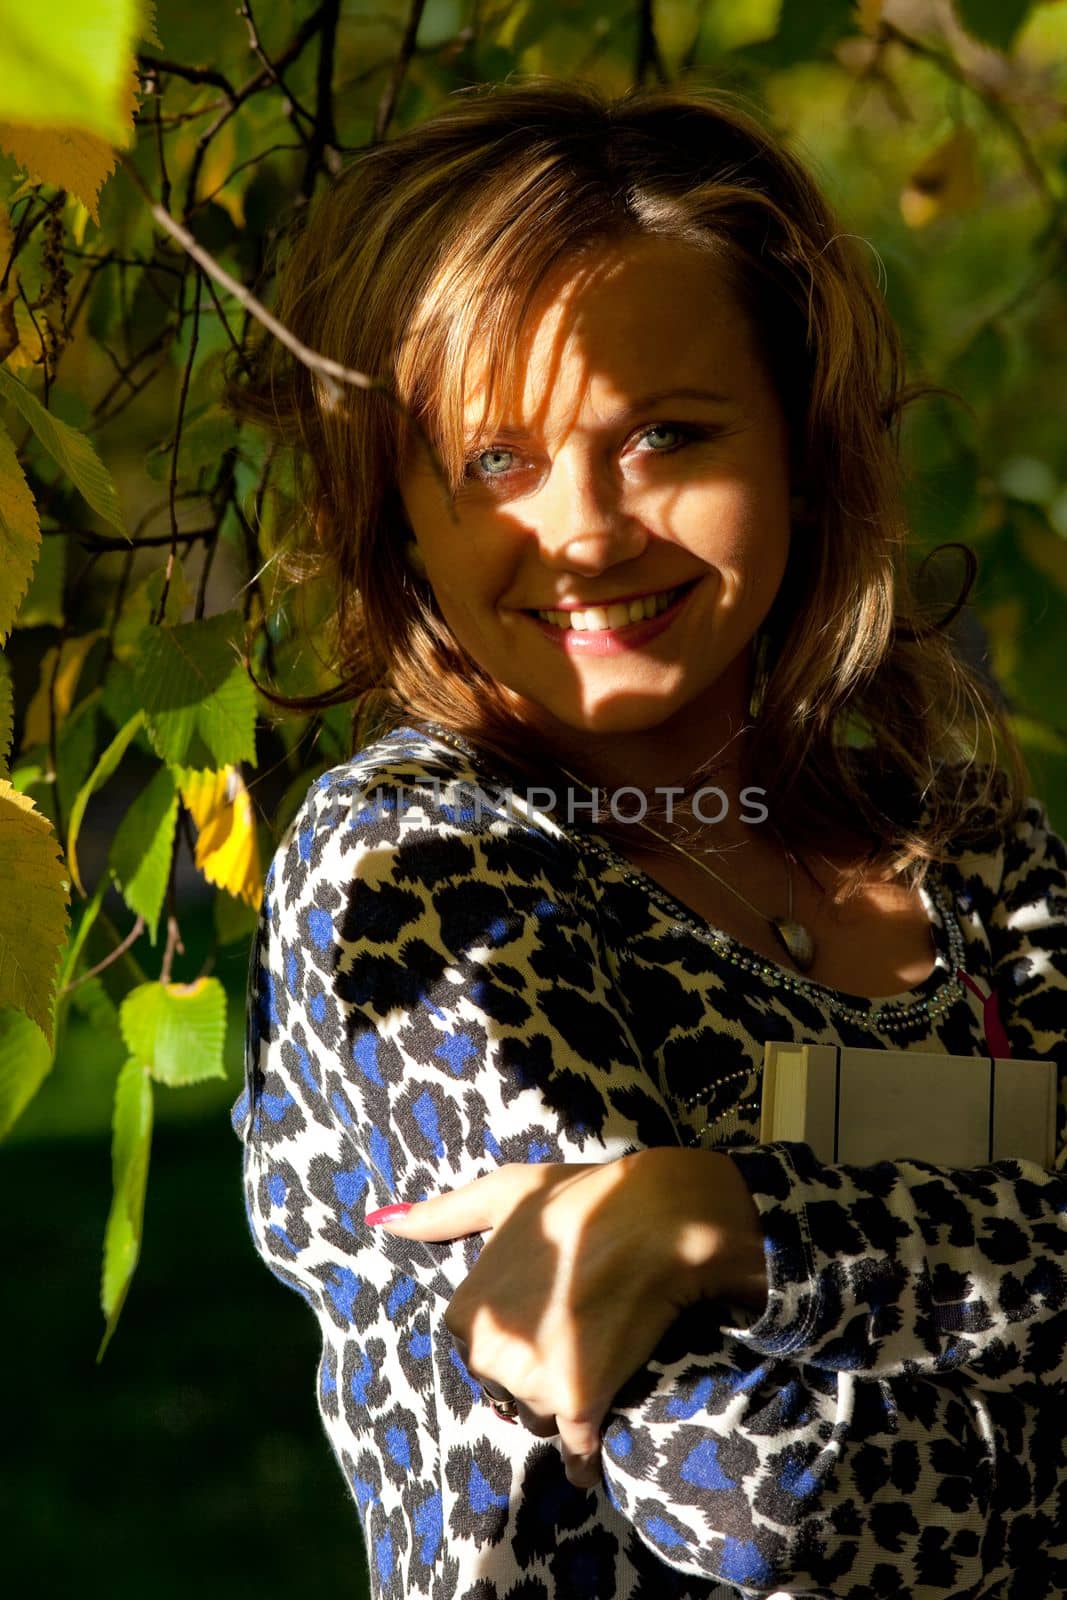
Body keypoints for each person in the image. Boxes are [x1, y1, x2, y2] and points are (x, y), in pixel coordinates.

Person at [227, 78, 1067, 1600]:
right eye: (495, 461)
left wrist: (728, 1212)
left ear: (803, 450)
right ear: (396, 504)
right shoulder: (418, 877)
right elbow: (774, 1498)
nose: (589, 530)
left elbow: (1031, 1139)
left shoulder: (960, 843)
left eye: (667, 434)